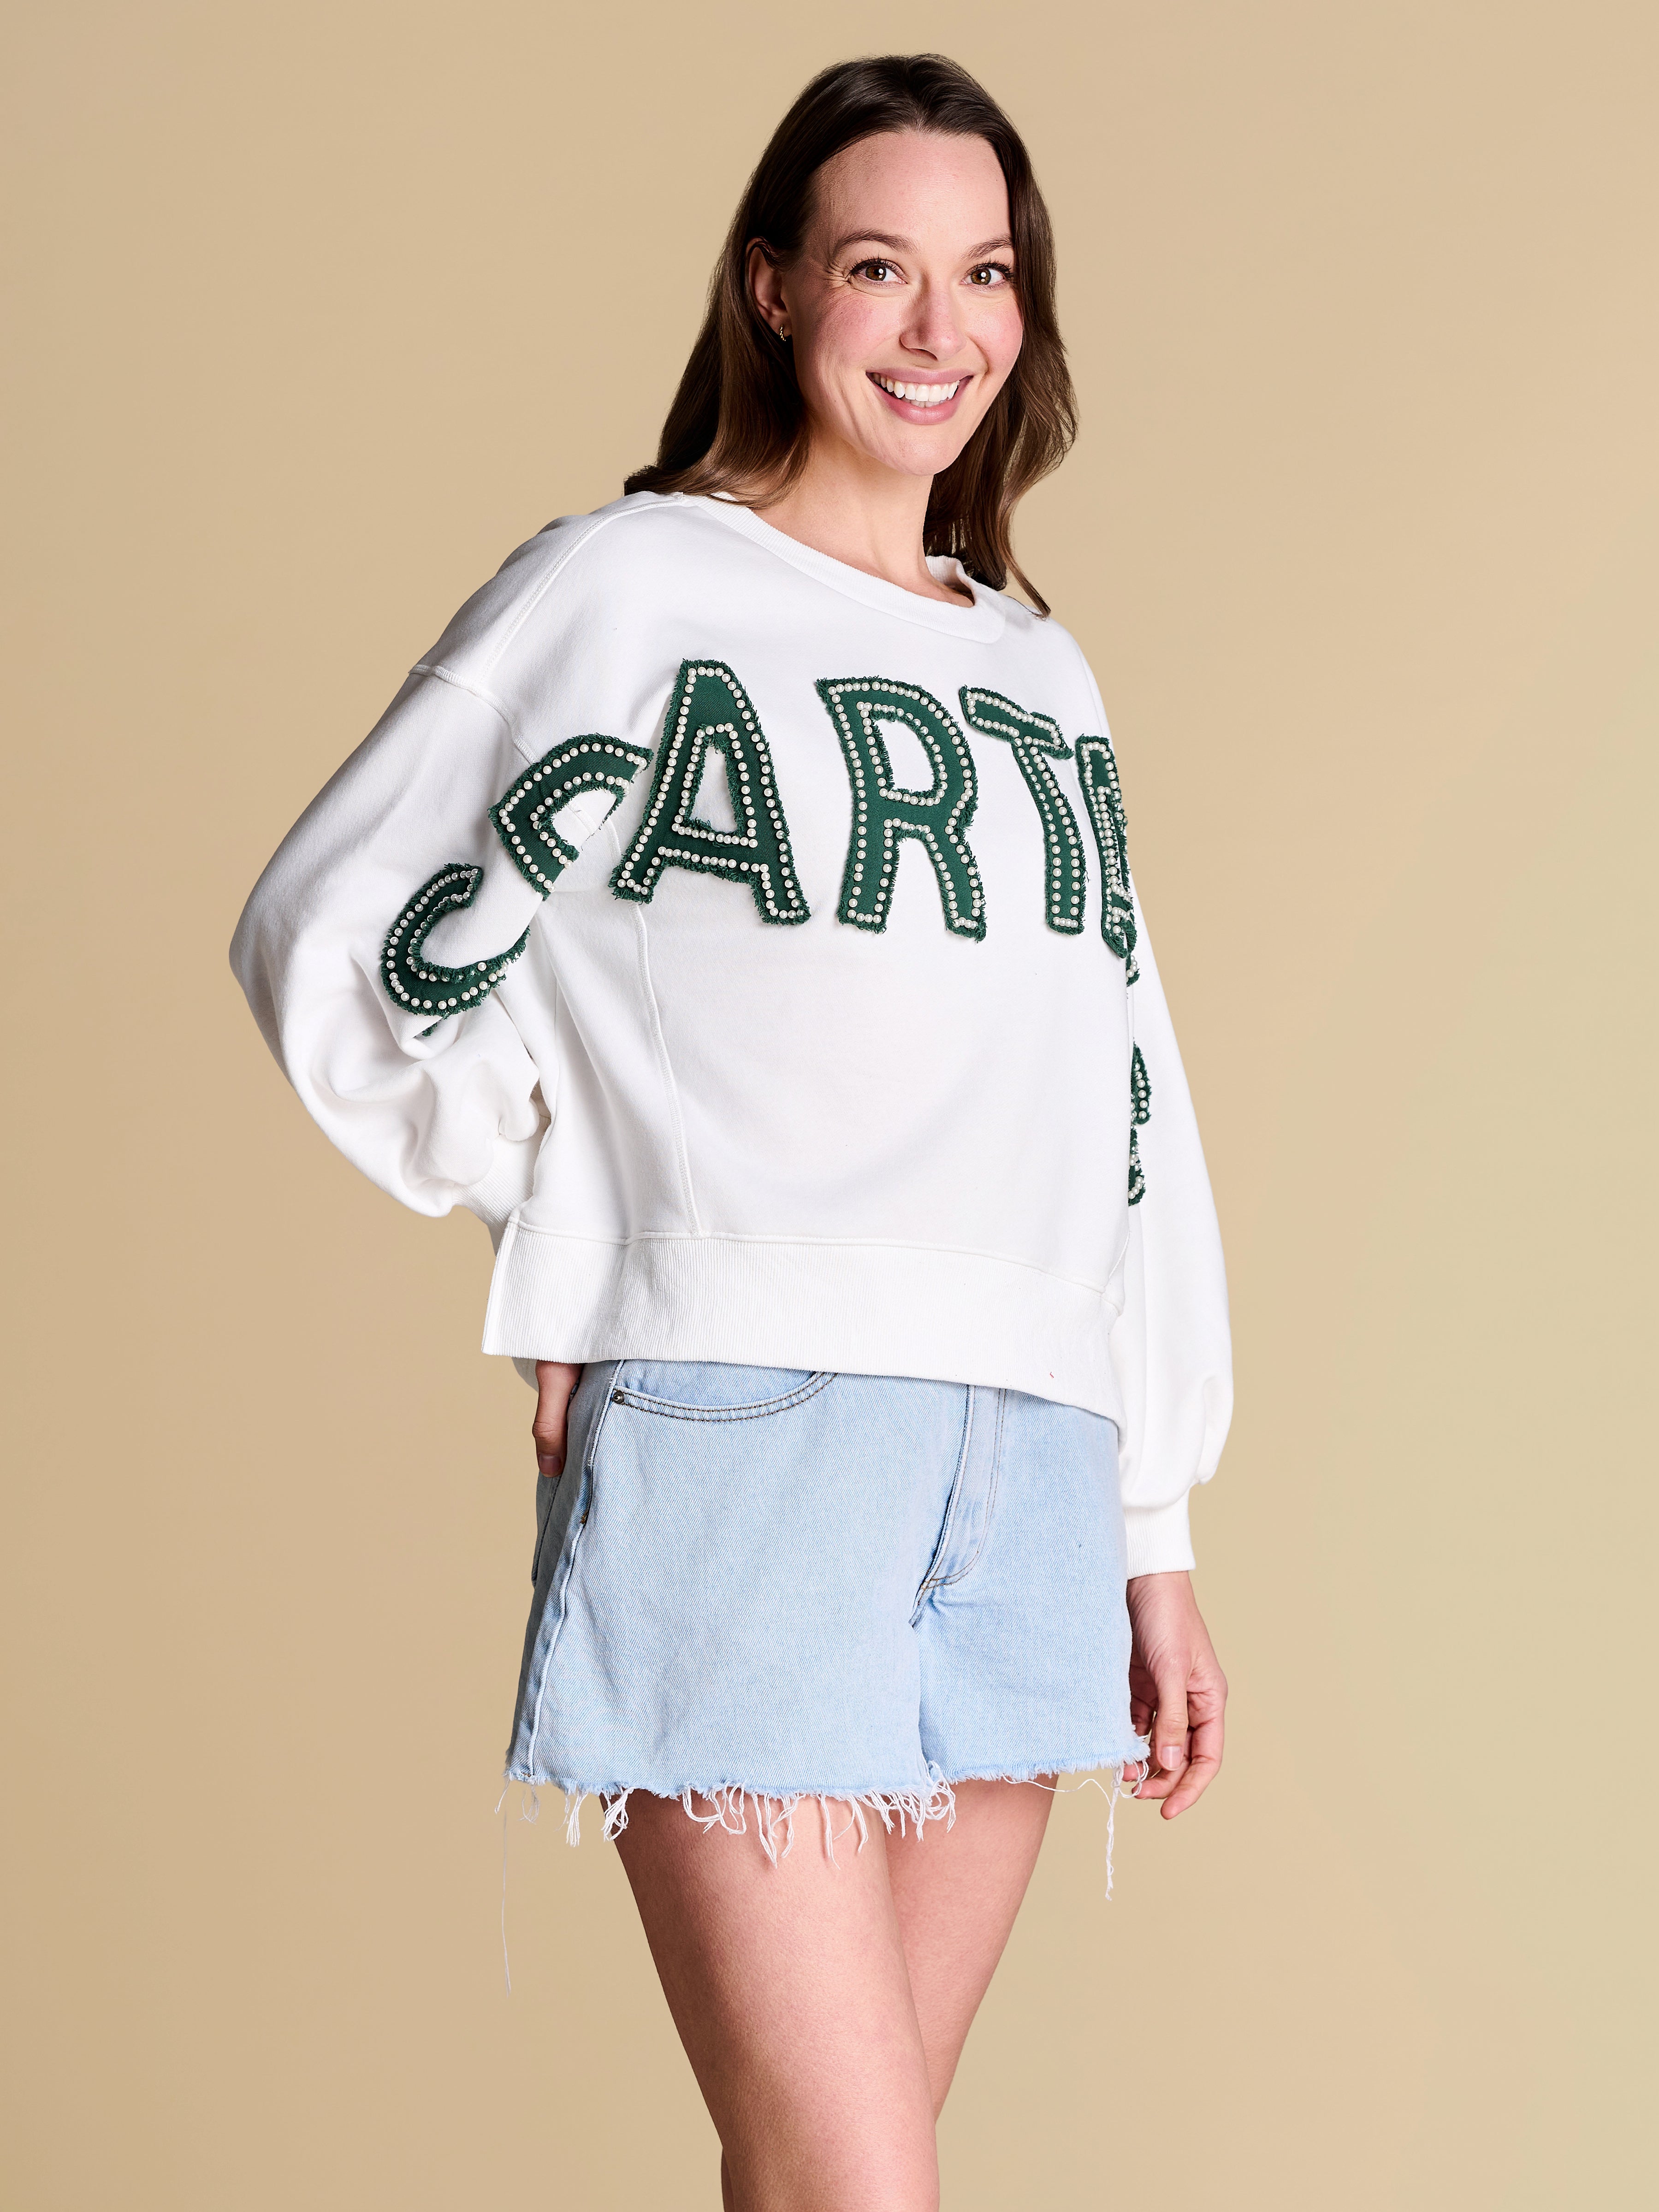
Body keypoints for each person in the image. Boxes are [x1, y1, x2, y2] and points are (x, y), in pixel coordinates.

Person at [231, 51, 1232, 2212]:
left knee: (828, 2184)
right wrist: (568, 1227)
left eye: (987, 274)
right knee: (860, 2190)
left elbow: (1126, 1099)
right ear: (773, 289)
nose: (942, 328)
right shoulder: (632, 592)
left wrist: (1152, 1524)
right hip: (754, 1434)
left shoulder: (1042, 680)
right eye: (881, 269)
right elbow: (337, 930)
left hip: (1033, 1460)